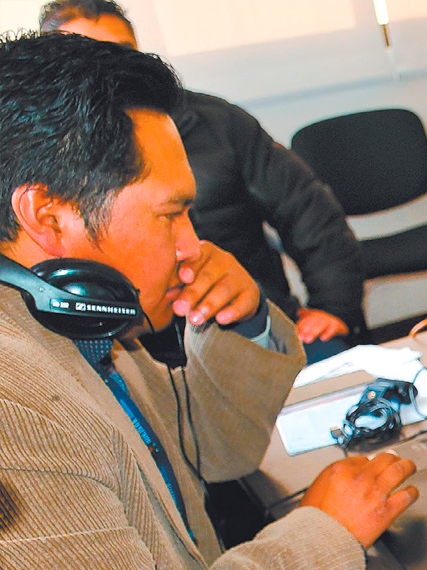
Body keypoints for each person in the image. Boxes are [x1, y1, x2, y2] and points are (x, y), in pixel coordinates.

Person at [0, 32, 418, 570]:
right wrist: (326, 530)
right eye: (171, 214)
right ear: (47, 216)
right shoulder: (16, 408)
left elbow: (210, 449)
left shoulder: (71, 319)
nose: (194, 245)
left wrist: (245, 319)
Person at [40, 0, 367, 363]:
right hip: (137, 360)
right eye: (90, 60)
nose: (112, 72)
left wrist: (334, 306)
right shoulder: (43, 163)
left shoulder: (220, 123)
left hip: (254, 329)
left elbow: (306, 209)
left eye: (122, 54)